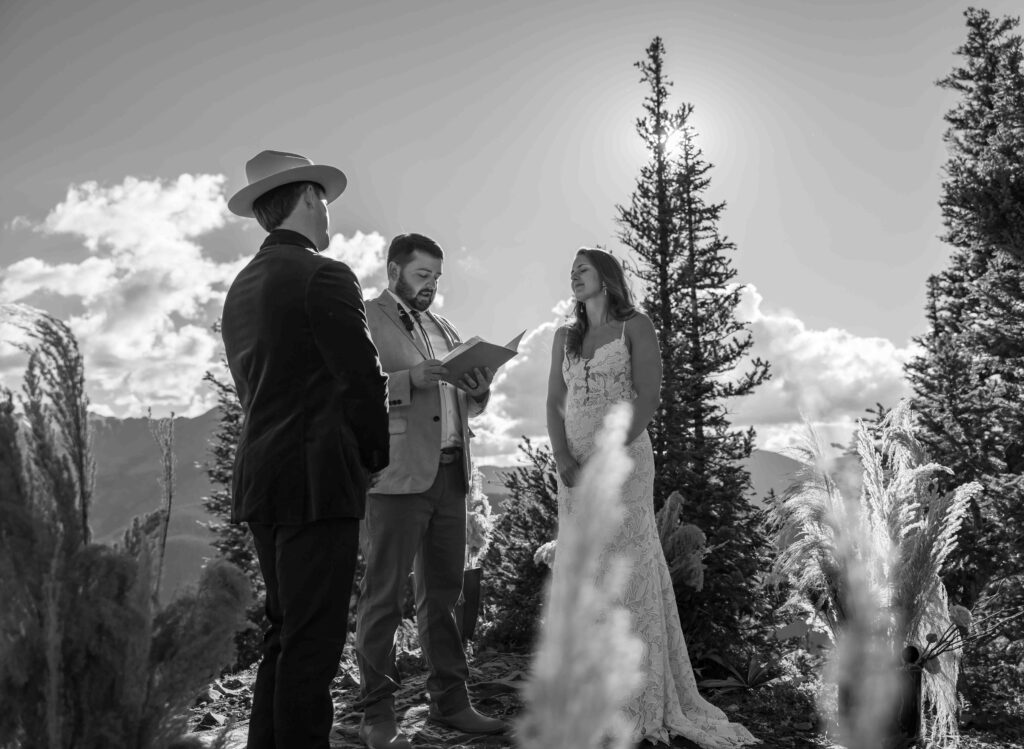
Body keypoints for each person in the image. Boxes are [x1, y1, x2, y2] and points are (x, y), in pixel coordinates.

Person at [545, 248, 756, 748]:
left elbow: (649, 396)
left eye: (582, 268)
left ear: (607, 277)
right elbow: (555, 402)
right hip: (574, 471)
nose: (573, 276)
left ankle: (636, 698)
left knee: (629, 569)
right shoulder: (563, 338)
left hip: (623, 466)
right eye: (570, 270)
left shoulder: (634, 326)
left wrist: (609, 456)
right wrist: (563, 457)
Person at [221, 150, 390, 749]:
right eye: (324, 202)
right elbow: (362, 378)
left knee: (285, 632)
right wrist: (371, 459)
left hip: (261, 479)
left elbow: (252, 390)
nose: (328, 215)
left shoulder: (240, 289)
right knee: (314, 643)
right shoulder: (326, 274)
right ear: (309, 198)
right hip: (317, 481)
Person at [355, 233, 507, 749]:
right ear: (394, 269)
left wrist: (480, 388)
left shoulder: (445, 327)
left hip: (451, 474)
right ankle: (376, 712)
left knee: (444, 595)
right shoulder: (368, 317)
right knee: (383, 596)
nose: (431, 287)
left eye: (437, 278)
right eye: (423, 276)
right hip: (396, 477)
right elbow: (354, 390)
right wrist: (408, 379)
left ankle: (450, 700)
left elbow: (463, 404)